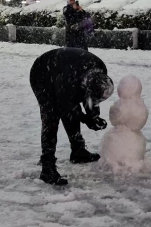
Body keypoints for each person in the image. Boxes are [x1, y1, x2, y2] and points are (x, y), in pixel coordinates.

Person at [29, 47, 113, 186]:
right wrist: (87, 119)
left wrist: (93, 117)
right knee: (51, 117)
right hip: (43, 73)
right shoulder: (68, 81)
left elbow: (90, 98)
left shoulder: (99, 68)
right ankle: (47, 167)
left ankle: (78, 151)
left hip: (67, 68)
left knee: (71, 111)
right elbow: (68, 109)